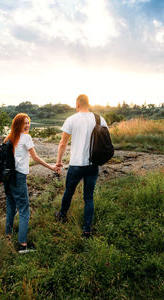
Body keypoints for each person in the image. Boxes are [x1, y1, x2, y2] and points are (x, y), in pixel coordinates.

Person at [4, 113, 59, 253]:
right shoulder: (26, 138)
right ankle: (23, 245)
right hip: (18, 177)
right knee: (24, 210)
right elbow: (35, 157)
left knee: (11, 206)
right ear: (18, 125)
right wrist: (52, 167)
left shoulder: (9, 138)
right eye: (24, 123)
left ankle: (8, 237)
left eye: (28, 122)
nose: (28, 125)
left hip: (8, 177)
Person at [56, 94, 108, 238]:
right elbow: (105, 140)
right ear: (88, 103)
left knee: (68, 192)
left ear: (78, 104)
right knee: (89, 198)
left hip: (76, 164)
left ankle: (62, 216)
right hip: (92, 164)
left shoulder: (71, 119)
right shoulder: (99, 119)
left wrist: (59, 161)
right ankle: (87, 230)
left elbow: (63, 143)